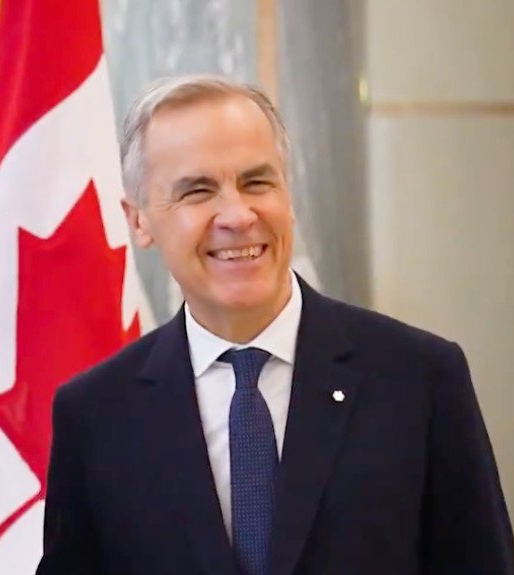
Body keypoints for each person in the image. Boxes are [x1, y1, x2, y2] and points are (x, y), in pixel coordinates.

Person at [36, 75, 514, 575]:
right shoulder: (96, 415)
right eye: (198, 191)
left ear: (288, 194)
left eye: (256, 182)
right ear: (138, 222)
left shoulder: (420, 381)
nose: (238, 215)